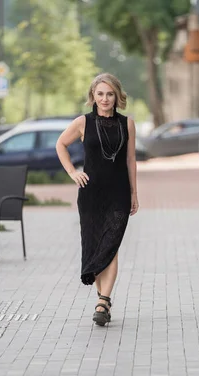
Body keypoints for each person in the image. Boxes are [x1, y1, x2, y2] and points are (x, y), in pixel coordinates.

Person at [56, 73, 139, 326]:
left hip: (118, 194)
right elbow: (61, 144)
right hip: (91, 194)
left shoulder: (128, 124)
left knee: (110, 246)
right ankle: (103, 302)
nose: (105, 99)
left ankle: (103, 301)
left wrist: (134, 193)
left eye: (110, 94)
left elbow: (130, 160)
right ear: (93, 95)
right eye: (100, 94)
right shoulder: (83, 122)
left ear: (117, 97)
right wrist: (73, 172)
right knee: (96, 246)